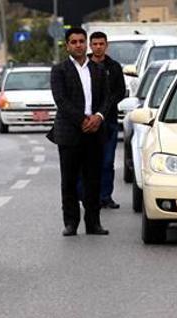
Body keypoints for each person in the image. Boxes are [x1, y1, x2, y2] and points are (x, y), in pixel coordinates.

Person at [49, 27, 110, 237]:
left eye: (81, 41)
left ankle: (93, 223)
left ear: (87, 44)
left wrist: (98, 117)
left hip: (94, 131)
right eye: (73, 42)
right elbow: (61, 100)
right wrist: (83, 119)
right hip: (70, 132)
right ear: (67, 45)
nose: (78, 45)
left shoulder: (99, 69)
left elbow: (106, 98)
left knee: (93, 179)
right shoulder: (59, 70)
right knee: (69, 180)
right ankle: (71, 222)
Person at [89, 31, 126, 209]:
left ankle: (106, 196)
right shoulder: (84, 66)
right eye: (95, 44)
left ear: (106, 45)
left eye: (101, 44)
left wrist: (106, 106)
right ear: (90, 46)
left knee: (107, 161)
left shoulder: (114, 67)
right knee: (88, 162)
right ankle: (90, 196)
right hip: (87, 122)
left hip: (109, 121)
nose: (98, 47)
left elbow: (120, 91)